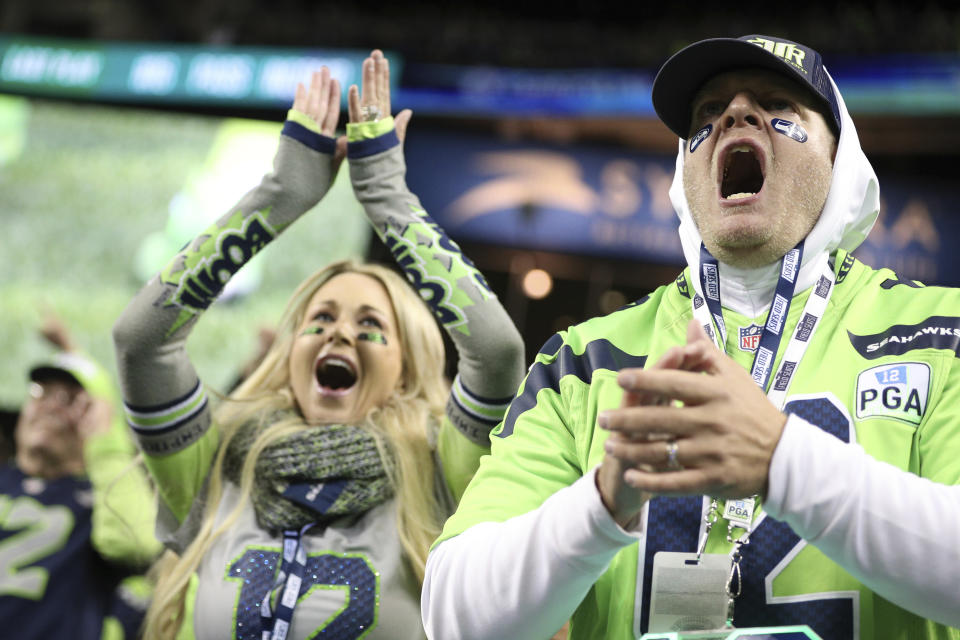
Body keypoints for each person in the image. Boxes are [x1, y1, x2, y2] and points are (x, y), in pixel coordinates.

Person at [422, 35, 960, 640]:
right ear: (685, 170)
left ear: (840, 163)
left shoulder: (940, 337)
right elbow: (454, 618)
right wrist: (599, 504)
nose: (735, 114)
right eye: (708, 114)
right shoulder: (585, 361)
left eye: (779, 106)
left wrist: (783, 463)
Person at [112, 50, 524, 640]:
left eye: (370, 326)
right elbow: (140, 342)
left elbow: (498, 352)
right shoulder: (216, 463)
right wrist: (281, 195)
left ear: (406, 370)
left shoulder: (438, 468)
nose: (339, 333)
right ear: (290, 354)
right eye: (321, 318)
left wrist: (386, 196)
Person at [0, 320, 161, 639]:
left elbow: (138, 544)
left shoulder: (96, 501)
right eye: (40, 394)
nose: (49, 408)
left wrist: (107, 444)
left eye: (69, 401)